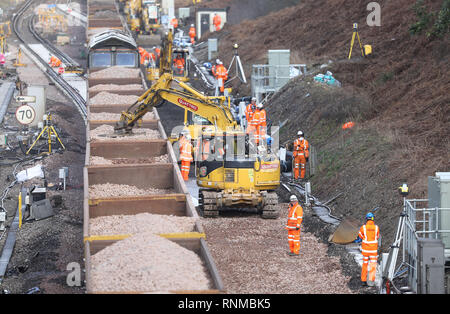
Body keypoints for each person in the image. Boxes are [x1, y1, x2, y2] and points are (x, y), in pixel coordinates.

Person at [357, 212, 380, 286]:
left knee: (365, 265)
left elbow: (360, 237)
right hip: (373, 250)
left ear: (366, 219)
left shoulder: (363, 227)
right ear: (373, 219)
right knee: (373, 265)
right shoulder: (376, 228)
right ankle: (371, 280)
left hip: (365, 250)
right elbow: (377, 237)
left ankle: (363, 281)